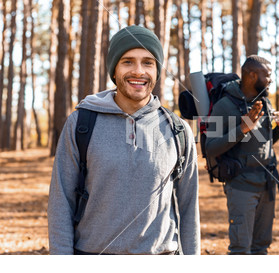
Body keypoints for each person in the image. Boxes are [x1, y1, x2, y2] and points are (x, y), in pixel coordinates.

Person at [48, 25, 200, 255]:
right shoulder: (81, 123)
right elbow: (61, 203)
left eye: (148, 62)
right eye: (128, 61)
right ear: (114, 69)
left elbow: (189, 210)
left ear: (157, 70)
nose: (139, 71)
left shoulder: (177, 130)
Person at [205, 55, 279, 254]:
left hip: (267, 183)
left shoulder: (264, 102)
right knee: (241, 250)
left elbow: (264, 143)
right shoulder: (223, 106)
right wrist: (242, 128)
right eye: (267, 75)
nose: (270, 79)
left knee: (261, 247)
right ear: (252, 76)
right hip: (241, 186)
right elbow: (210, 148)